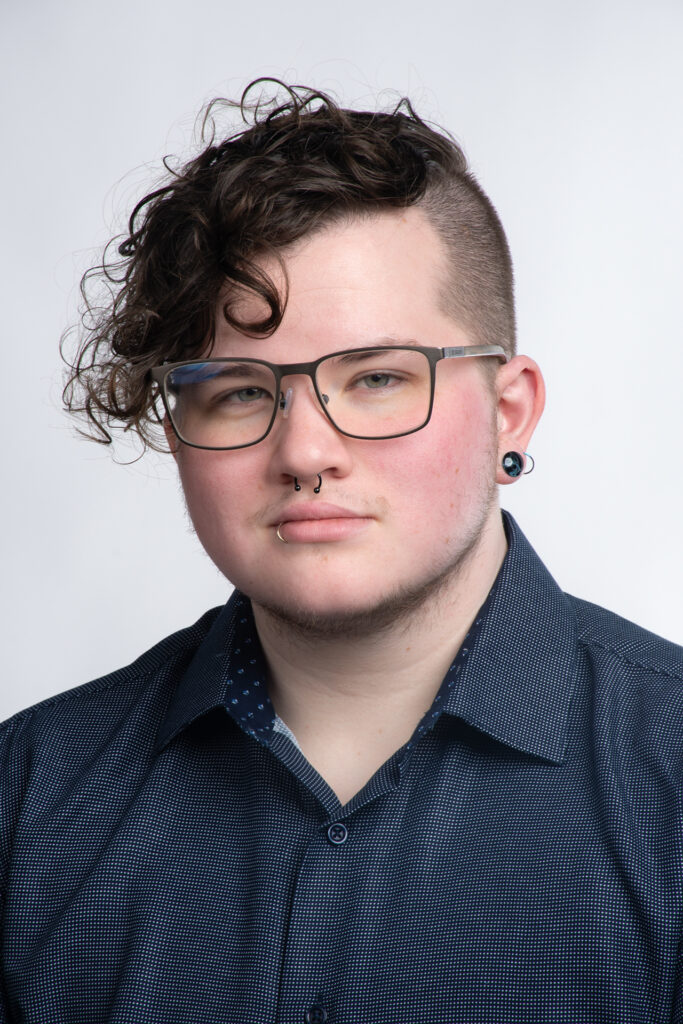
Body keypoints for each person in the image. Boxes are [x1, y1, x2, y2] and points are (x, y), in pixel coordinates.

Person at [1, 80, 682, 1024]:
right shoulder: (28, 797)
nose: (305, 452)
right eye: (240, 391)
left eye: (376, 378)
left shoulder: (667, 781)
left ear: (509, 412)